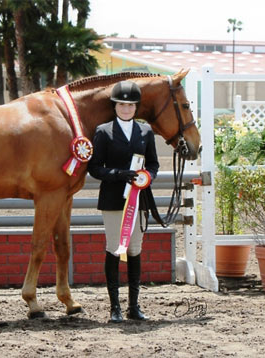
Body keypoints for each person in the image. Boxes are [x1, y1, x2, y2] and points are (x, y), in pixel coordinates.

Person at [87, 80, 159, 323]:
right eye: (122, 105)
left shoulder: (146, 131)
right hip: (113, 198)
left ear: (136, 107)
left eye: (130, 105)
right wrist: (119, 175)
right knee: (114, 248)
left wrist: (146, 176)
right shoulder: (103, 131)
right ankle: (114, 307)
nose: (126, 109)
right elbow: (95, 168)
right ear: (115, 106)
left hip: (138, 199)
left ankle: (134, 306)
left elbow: (153, 163)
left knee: (135, 249)